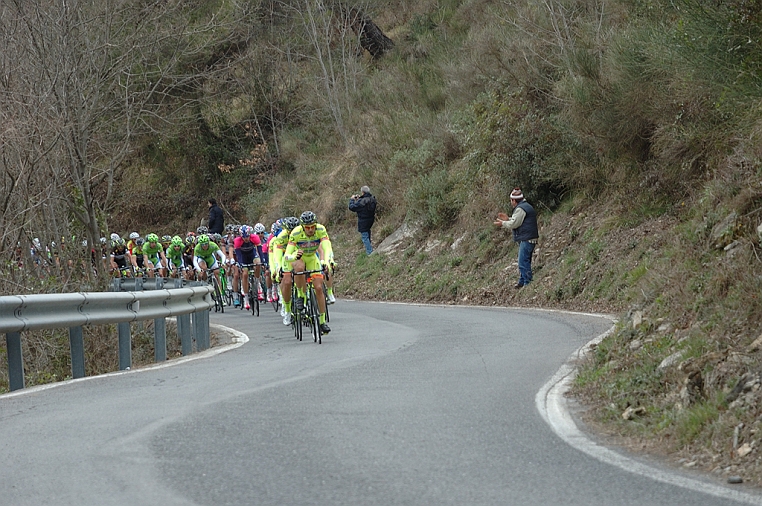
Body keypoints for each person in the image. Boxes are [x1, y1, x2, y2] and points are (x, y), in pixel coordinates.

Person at [284, 211, 334, 334]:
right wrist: (294, 255)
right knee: (299, 268)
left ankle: (322, 322)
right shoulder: (296, 233)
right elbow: (287, 256)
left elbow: (327, 247)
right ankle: (301, 295)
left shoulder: (321, 229)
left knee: (318, 288)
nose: (311, 230)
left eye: (313, 226)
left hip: (312, 258)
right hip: (299, 257)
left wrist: (327, 261)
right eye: (307, 227)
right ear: (302, 227)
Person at [493, 187, 539, 289]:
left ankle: (527, 283)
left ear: (514, 200)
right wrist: (508, 219)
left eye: (511, 200)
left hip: (527, 239)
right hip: (530, 238)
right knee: (525, 260)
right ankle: (522, 281)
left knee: (522, 262)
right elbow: (517, 220)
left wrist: (503, 223)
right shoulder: (525, 207)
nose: (511, 202)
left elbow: (514, 223)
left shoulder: (520, 209)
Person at [348, 185, 377, 254]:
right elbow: (365, 204)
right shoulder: (372, 199)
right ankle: (370, 248)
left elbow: (352, 207)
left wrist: (352, 200)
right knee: (368, 232)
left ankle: (369, 252)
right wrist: (359, 198)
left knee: (364, 237)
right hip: (371, 219)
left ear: (362, 192)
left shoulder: (361, 201)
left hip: (363, 220)